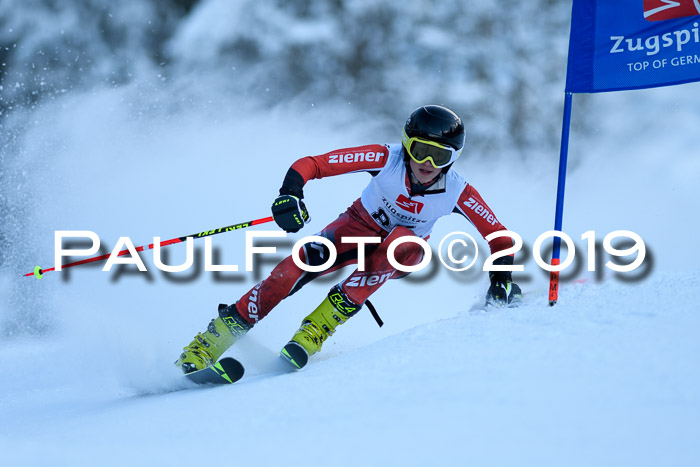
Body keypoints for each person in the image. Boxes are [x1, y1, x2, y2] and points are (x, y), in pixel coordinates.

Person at [175, 105, 522, 372]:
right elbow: (312, 164)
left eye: (440, 155)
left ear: (453, 159)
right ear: (406, 144)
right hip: (355, 226)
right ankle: (206, 345)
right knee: (287, 274)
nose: (427, 163)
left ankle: (313, 332)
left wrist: (501, 276)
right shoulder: (385, 158)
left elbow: (499, 236)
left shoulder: (457, 190)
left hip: (403, 250)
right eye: (419, 150)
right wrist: (290, 193)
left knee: (400, 243)